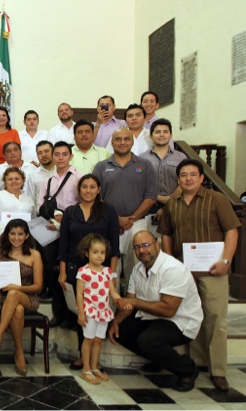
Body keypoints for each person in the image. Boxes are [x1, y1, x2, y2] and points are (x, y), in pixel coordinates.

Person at [158, 159, 241, 392]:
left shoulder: (217, 200)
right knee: (190, 316)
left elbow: (231, 231)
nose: (188, 179)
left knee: (215, 316)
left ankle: (218, 371)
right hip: (184, 271)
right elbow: (166, 233)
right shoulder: (173, 203)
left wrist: (226, 261)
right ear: (178, 179)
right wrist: (170, 261)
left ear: (202, 178)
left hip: (213, 270)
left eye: (193, 175)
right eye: (183, 175)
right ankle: (196, 364)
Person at [109, 230, 203, 392]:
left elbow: (168, 310)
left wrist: (133, 301)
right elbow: (129, 302)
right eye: (137, 247)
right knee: (121, 331)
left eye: (146, 245)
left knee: (147, 341)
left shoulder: (173, 269)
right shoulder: (138, 269)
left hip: (180, 322)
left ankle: (188, 370)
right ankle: (157, 358)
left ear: (157, 245)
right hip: (152, 317)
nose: (142, 250)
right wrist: (115, 322)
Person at [57, 174, 120, 360]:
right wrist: (62, 271)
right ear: (79, 190)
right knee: (81, 310)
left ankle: (94, 360)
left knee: (98, 311)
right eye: (84, 187)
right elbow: (63, 243)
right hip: (74, 268)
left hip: (101, 270)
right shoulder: (70, 212)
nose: (88, 190)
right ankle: (81, 356)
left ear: (98, 189)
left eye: (93, 187)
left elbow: (114, 245)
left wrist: (113, 274)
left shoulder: (108, 210)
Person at [0, 219, 43, 376]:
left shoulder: (35, 255)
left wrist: (17, 288)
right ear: (7, 235)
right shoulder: (0, 252)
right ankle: (19, 352)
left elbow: (38, 286)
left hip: (29, 296)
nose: (16, 237)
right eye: (12, 233)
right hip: (4, 297)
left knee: (14, 295)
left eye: (20, 234)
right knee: (18, 310)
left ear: (27, 235)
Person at [93, 128, 157, 282]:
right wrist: (117, 219)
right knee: (110, 270)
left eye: (126, 139)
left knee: (136, 267)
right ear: (112, 142)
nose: (122, 142)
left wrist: (130, 219)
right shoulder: (101, 167)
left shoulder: (145, 165)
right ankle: (112, 305)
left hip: (137, 224)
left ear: (132, 141)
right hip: (108, 223)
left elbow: (151, 197)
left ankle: (133, 303)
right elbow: (95, 197)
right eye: (118, 139)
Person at [75, 234, 122, 384]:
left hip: (103, 311)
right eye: (95, 252)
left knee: (98, 340)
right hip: (89, 311)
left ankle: (95, 367)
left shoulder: (107, 272)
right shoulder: (83, 271)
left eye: (102, 252)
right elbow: (79, 293)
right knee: (88, 340)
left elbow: (112, 291)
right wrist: (81, 313)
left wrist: (118, 299)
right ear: (87, 253)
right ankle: (86, 369)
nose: (99, 255)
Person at [140, 118, 185, 216]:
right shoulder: (142, 158)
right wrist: (159, 197)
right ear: (151, 136)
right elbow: (139, 182)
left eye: (165, 132)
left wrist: (170, 200)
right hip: (148, 206)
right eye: (157, 132)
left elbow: (185, 180)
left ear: (170, 135)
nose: (161, 135)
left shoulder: (181, 157)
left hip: (176, 205)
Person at [0, 167, 35, 237]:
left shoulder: (28, 199)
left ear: (22, 181)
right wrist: (4, 233)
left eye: (17, 179)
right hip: (3, 235)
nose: (14, 181)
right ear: (5, 182)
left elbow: (33, 219)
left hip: (25, 237)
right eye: (10, 179)